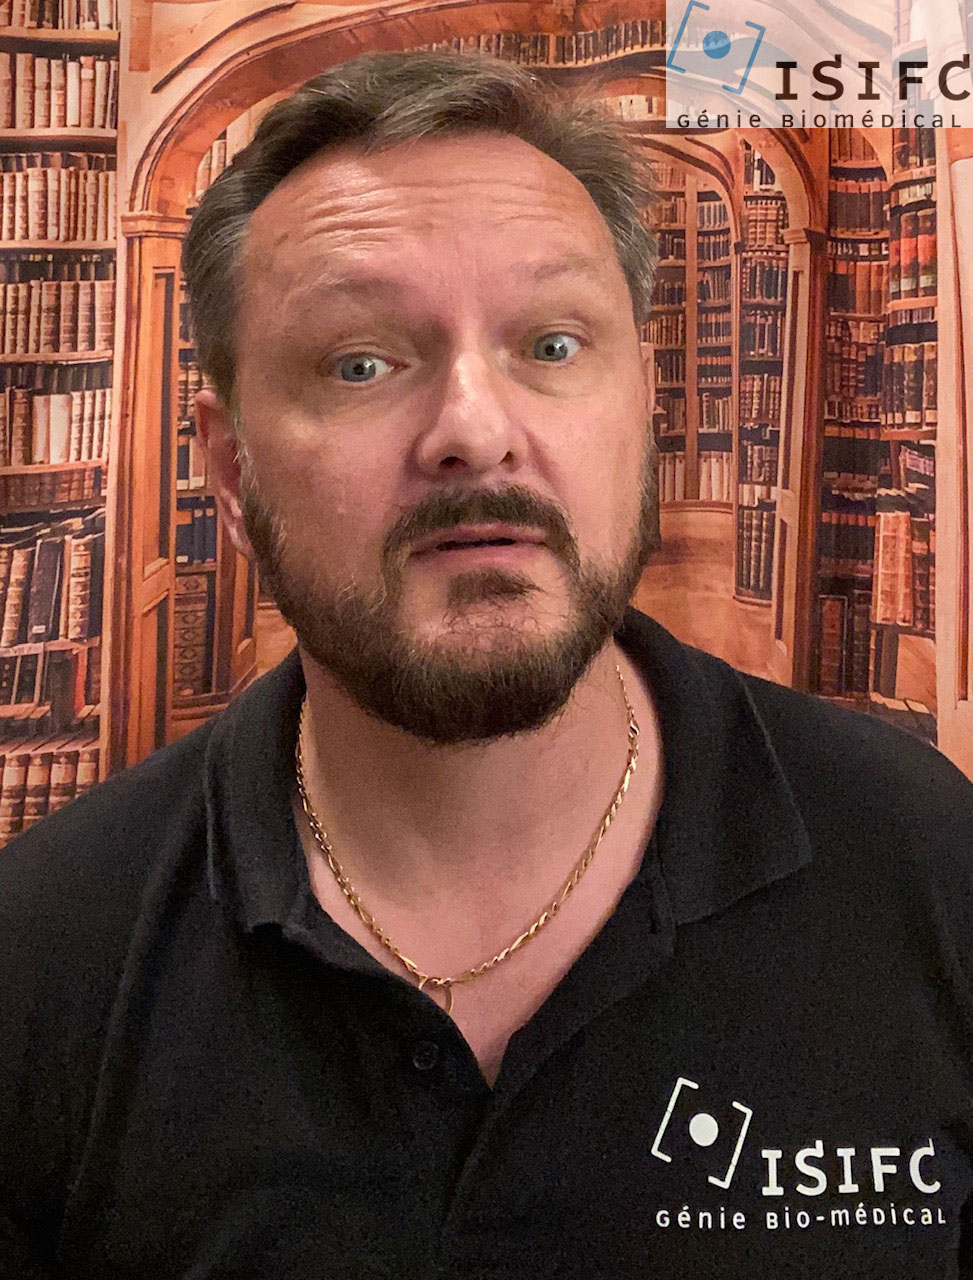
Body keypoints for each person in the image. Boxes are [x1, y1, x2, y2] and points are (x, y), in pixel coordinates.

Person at [1, 49, 971, 1280]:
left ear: (644, 408)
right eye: (360, 363)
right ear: (232, 469)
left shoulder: (926, 863)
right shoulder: (41, 958)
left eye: (553, 343)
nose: (474, 428)